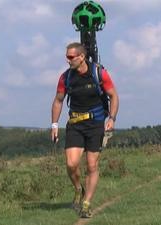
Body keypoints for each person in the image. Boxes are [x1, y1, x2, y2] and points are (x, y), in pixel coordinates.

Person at [50, 42, 119, 218]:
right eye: (67, 57)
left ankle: (86, 204)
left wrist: (111, 118)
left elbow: (113, 95)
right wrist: (55, 125)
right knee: (71, 164)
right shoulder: (65, 77)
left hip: (95, 124)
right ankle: (78, 188)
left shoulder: (98, 73)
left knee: (92, 164)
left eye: (71, 57)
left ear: (81, 57)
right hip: (75, 124)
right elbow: (58, 101)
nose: (68, 60)